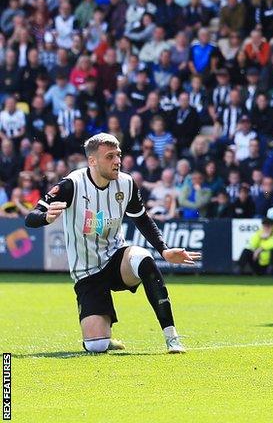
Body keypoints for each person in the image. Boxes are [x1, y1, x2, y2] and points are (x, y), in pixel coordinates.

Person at [24, 133, 199, 353]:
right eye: (110, 156)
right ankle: (103, 336)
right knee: (96, 346)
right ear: (92, 161)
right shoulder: (72, 184)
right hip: (86, 271)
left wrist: (163, 250)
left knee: (143, 259)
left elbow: (142, 219)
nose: (117, 161)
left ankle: (172, 337)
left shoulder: (126, 184)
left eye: (118, 155)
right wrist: (45, 217)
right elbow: (31, 218)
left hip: (116, 259)